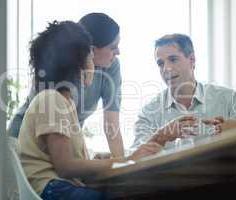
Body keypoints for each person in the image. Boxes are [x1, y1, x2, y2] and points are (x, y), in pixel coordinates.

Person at [18, 20, 161, 200]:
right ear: (78, 63)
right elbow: (65, 166)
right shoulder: (51, 99)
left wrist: (95, 160)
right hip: (53, 189)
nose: (93, 63)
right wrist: (127, 159)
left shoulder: (64, 102)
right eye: (91, 57)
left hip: (60, 187)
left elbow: (67, 158)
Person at [8, 13, 125, 157]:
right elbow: (48, 121)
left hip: (64, 142)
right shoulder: (60, 70)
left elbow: (111, 123)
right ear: (91, 49)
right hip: (27, 140)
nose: (118, 52)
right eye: (113, 47)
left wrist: (124, 165)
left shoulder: (111, 66)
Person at [131, 34, 236, 150]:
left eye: (173, 60)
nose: (166, 68)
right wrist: (161, 137)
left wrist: (230, 130)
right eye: (160, 63)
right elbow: (133, 160)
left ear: (192, 60)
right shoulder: (149, 112)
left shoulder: (228, 99)